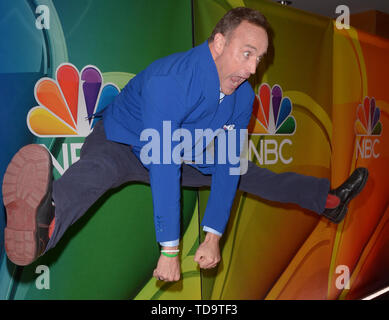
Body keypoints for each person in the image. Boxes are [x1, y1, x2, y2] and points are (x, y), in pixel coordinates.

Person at [2, 7, 368, 283]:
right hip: (123, 141)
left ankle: (328, 200)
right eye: (247, 53)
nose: (253, 68)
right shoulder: (172, 81)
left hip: (182, 149)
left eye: (260, 58)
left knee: (244, 171)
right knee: (96, 172)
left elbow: (225, 166)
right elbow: (163, 165)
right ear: (219, 43)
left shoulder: (243, 97)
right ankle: (40, 230)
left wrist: (213, 236)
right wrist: (170, 249)